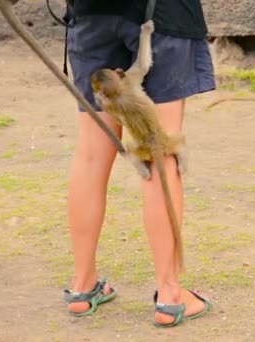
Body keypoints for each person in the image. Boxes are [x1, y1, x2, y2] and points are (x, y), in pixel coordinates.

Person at [62, 0, 216, 328]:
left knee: (91, 154)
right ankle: (170, 295)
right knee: (160, 150)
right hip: (162, 14)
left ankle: (82, 285)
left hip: (92, 15)